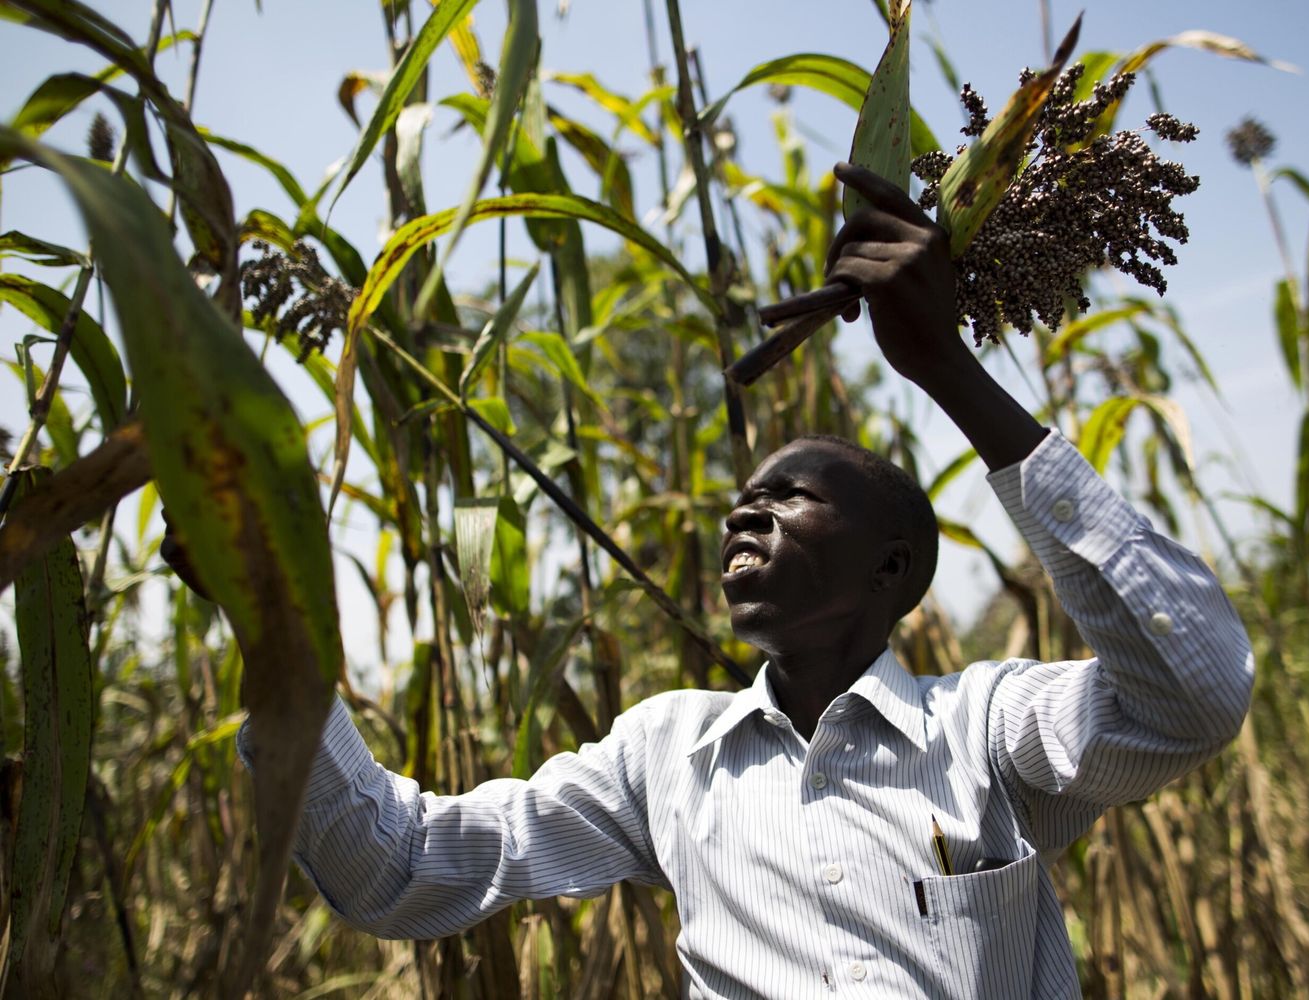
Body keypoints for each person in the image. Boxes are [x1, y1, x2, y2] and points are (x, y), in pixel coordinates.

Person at [236, 163, 1254, 998]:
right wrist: (273, 633)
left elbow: (1192, 695)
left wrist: (945, 363)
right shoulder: (666, 755)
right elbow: (397, 868)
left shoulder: (986, 730)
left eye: (795, 494)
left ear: (891, 568)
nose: (742, 512)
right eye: (742, 501)